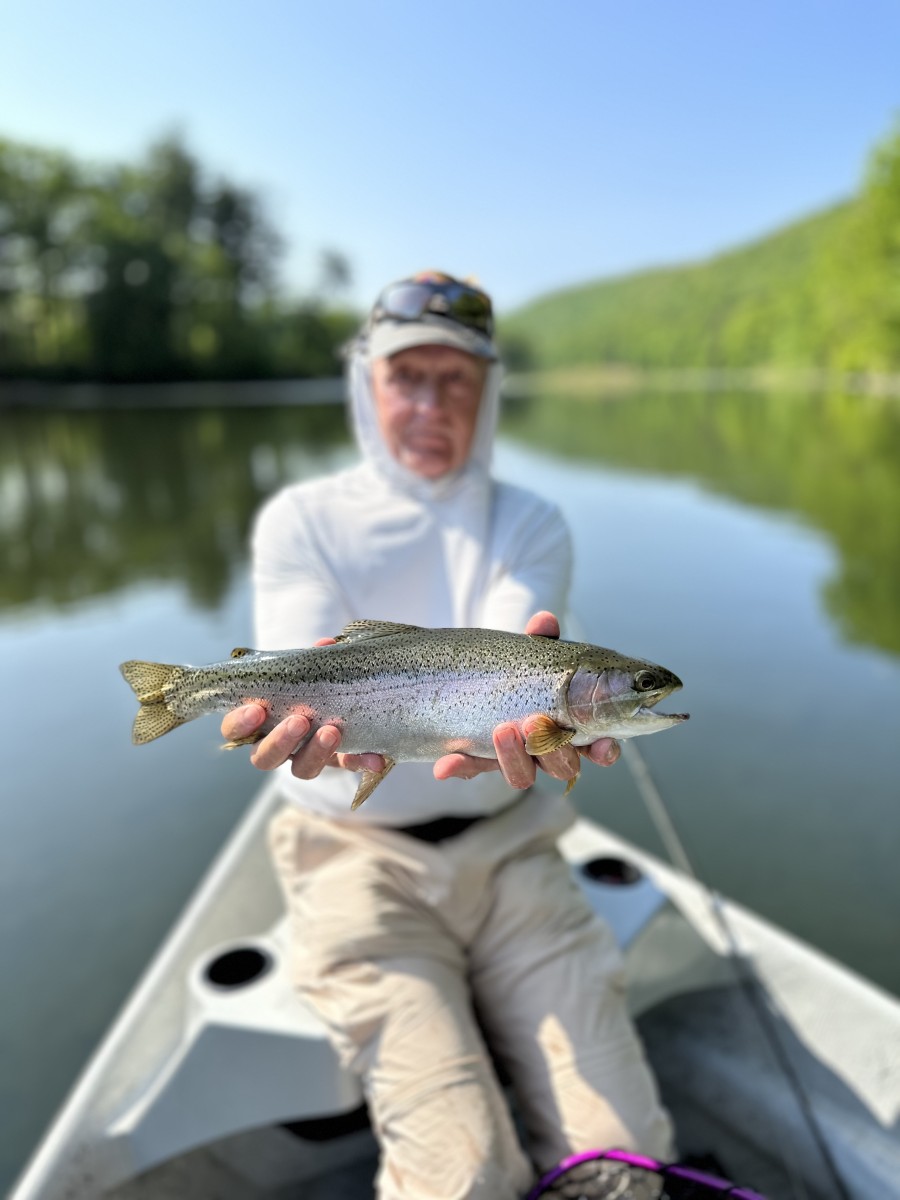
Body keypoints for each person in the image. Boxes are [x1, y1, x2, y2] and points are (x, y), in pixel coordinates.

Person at [221, 271, 675, 1200]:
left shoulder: (531, 521)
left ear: (489, 391)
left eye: (456, 380)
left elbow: (515, 644)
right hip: (352, 856)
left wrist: (528, 705)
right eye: (406, 377)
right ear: (367, 384)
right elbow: (304, 667)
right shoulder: (300, 520)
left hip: (514, 852)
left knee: (628, 1168)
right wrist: (298, 720)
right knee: (459, 1178)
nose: (430, 404)